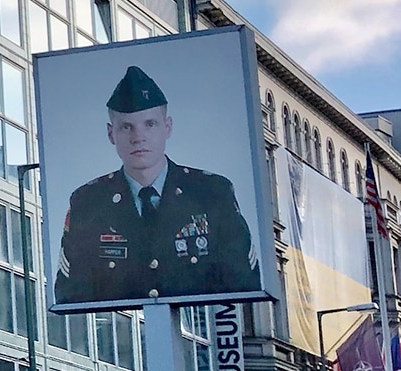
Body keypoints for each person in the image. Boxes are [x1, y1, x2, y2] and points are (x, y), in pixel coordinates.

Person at [53, 64, 261, 305]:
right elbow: (72, 294)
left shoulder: (212, 193)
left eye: (149, 124)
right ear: (111, 134)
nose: (137, 137)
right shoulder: (88, 202)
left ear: (167, 127)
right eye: (126, 127)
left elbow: (243, 283)